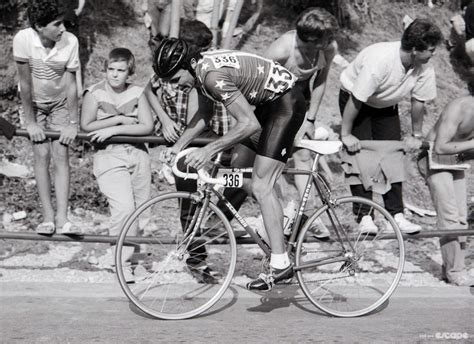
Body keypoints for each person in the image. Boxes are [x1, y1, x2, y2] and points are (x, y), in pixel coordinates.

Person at [156, 33, 307, 291]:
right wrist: (178, 146)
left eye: (174, 79)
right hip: (268, 104)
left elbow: (248, 124)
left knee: (261, 185)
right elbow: (204, 116)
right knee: (239, 167)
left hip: (285, 105)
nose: (173, 85)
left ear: (187, 66)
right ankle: (283, 217)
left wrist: (209, 150)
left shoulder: (210, 77)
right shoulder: (200, 72)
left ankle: (281, 264)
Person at [339, 18, 443, 235]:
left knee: (392, 155)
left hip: (385, 104)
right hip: (355, 100)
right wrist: (346, 134)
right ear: (415, 49)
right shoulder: (381, 61)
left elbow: (418, 102)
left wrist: (416, 134)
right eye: (431, 50)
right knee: (362, 155)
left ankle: (396, 215)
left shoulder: (424, 68)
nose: (433, 54)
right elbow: (356, 100)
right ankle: (364, 216)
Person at [264, 7, 337, 238]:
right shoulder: (282, 48)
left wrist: (311, 119)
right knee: (269, 161)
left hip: (300, 98)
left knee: (303, 154)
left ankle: (306, 214)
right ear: (313, 40)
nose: (330, 42)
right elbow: (258, 81)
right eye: (326, 39)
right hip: (272, 98)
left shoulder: (328, 47)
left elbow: (321, 81)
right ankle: (283, 210)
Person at [13, 0, 81, 235]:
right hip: (34, 104)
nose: (63, 28)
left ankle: (63, 218)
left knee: (61, 153)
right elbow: (25, 82)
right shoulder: (23, 39)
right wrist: (31, 122)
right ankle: (48, 217)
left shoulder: (70, 41)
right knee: (41, 154)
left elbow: (72, 85)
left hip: (60, 102)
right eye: (57, 24)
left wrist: (73, 123)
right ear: (39, 27)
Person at [80, 48, 154, 266]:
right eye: (111, 69)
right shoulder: (94, 93)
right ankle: (121, 262)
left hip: (138, 154)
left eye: (120, 70)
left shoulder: (138, 92)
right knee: (123, 209)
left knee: (142, 213)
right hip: (110, 155)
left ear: (128, 72)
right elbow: (87, 125)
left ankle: (138, 263)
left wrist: (113, 129)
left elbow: (147, 126)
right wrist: (119, 121)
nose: (114, 74)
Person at [417, 81, 474, 287]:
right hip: (433, 158)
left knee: (461, 219)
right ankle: (455, 271)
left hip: (457, 161)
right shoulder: (460, 107)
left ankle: (454, 267)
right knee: (449, 216)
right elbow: (440, 147)